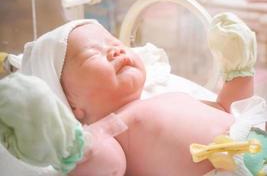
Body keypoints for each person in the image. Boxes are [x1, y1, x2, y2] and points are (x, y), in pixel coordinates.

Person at [19, 13, 265, 176]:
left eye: (114, 42)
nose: (115, 50)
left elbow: (229, 110)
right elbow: (108, 166)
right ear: (70, 104)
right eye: (92, 53)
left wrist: (239, 70)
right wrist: (81, 146)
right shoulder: (110, 133)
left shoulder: (173, 96)